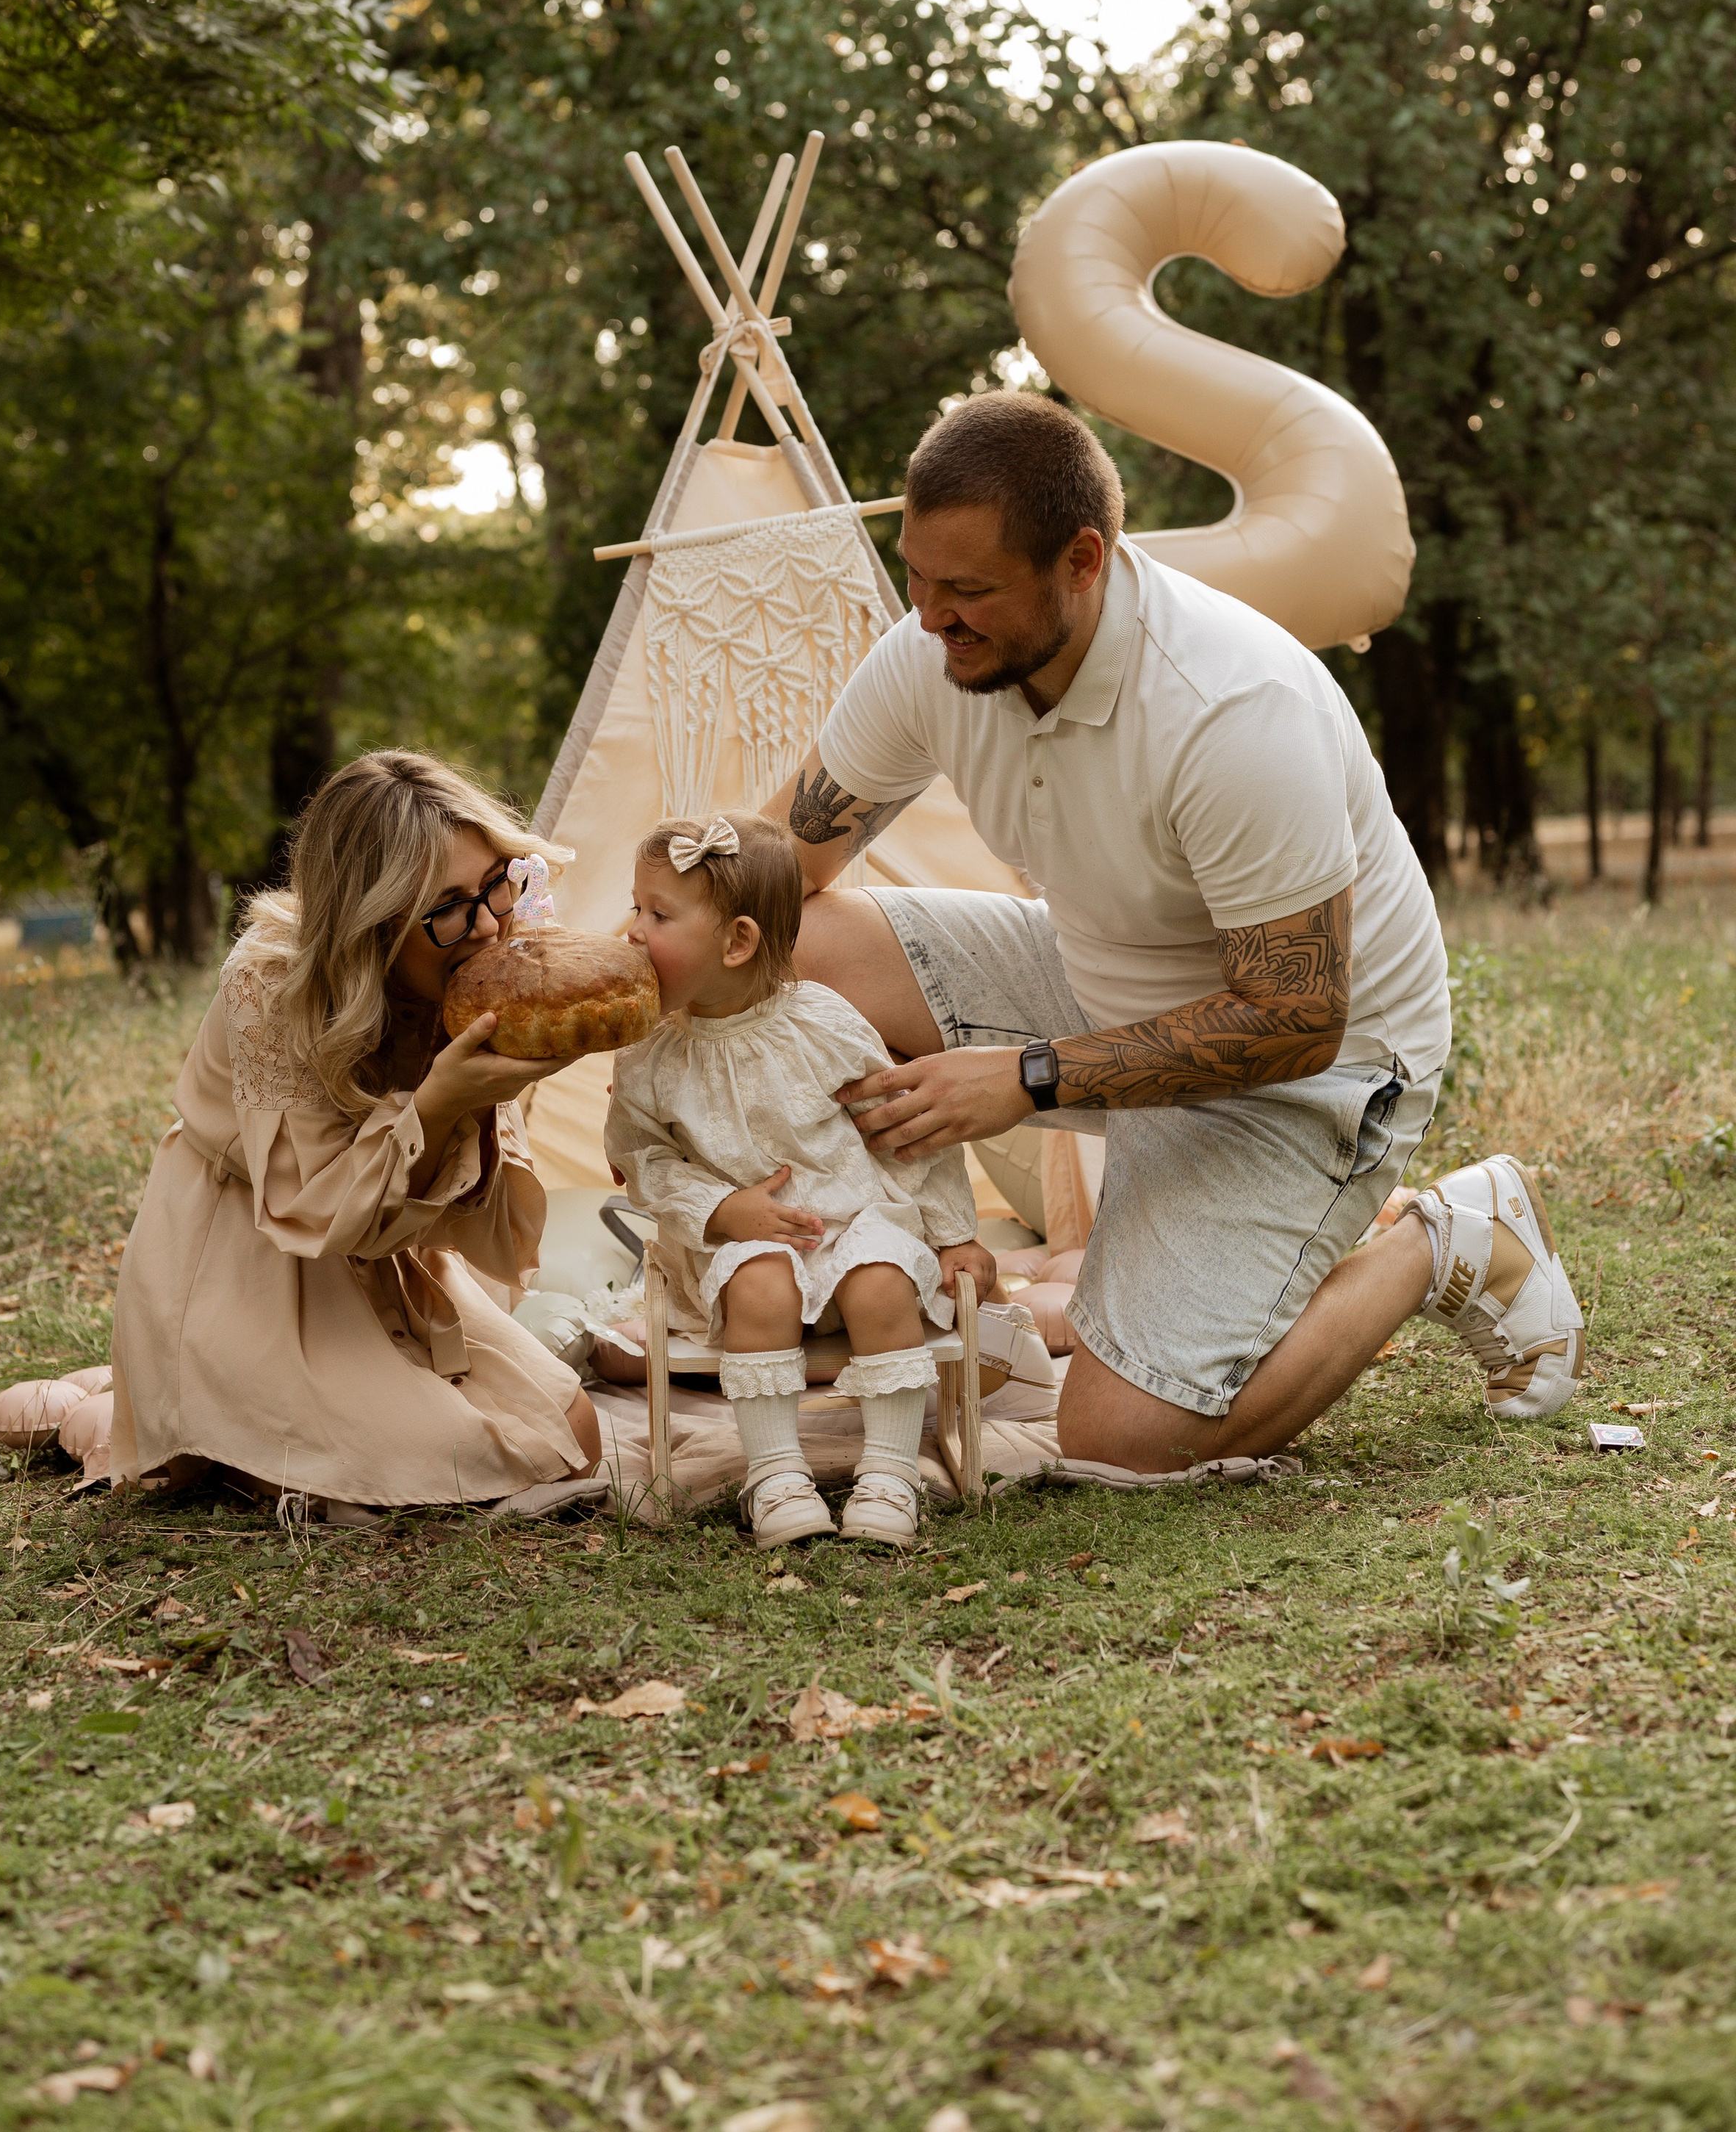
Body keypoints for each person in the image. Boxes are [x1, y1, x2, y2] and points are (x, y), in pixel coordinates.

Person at [769, 391, 1584, 1477]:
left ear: (1082, 561)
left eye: (968, 590)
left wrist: (1029, 1077)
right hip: (1099, 978)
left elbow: (1294, 1018)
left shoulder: (1231, 709)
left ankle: (1445, 1237)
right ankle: (850, 1263)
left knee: (1124, 1441)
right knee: (780, 941)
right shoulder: (936, 655)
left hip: (1313, 1069)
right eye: (916, 576)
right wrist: (633, 972)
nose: (928, 617)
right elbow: (776, 870)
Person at [110, 749, 602, 1516]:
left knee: (572, 1432)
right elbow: (309, 1207)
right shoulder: (270, 983)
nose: (486, 926)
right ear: (374, 921)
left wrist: (475, 1096)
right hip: (254, 1256)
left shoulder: (472, 969)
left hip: (389, 1255)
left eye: (495, 885)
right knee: (433, 1473)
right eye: (448, 907)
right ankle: (189, 1415)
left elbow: (471, 1211)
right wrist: (438, 1103)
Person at [604, 813, 976, 1546]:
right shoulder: (648, 1048)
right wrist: (720, 1208)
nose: (633, 932)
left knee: (881, 1279)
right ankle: (775, 1473)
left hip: (852, 1225)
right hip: (741, 1249)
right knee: (760, 1281)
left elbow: (906, 1128)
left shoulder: (824, 1023)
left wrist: (955, 1232)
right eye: (635, 907)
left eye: (657, 915)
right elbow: (640, 1156)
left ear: (737, 942)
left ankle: (891, 1471)